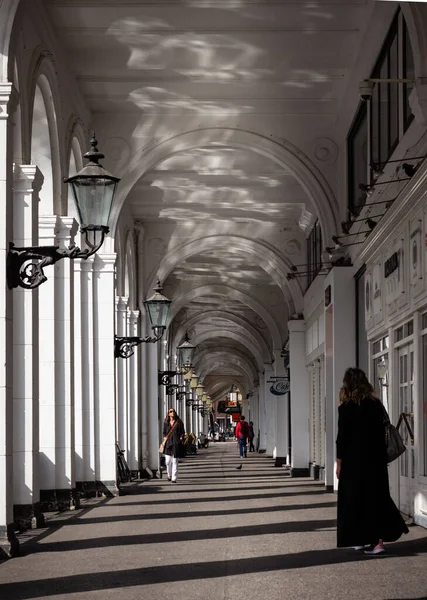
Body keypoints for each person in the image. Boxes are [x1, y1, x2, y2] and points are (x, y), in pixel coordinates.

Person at [336, 367, 408, 555]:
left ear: (347, 385)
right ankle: (378, 542)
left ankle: (357, 538)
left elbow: (342, 438)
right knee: (376, 498)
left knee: (353, 500)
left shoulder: (345, 408)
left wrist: (339, 462)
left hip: (353, 462)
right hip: (376, 460)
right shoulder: (376, 404)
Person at [162, 408, 185, 483]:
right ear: (168, 414)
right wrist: (164, 437)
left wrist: (181, 437)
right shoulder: (166, 423)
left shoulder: (179, 422)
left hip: (176, 443)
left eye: (173, 411)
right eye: (170, 412)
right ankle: (169, 474)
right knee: (167, 462)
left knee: (175, 461)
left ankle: (174, 478)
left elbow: (182, 431)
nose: (172, 413)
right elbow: (164, 432)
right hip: (168, 444)